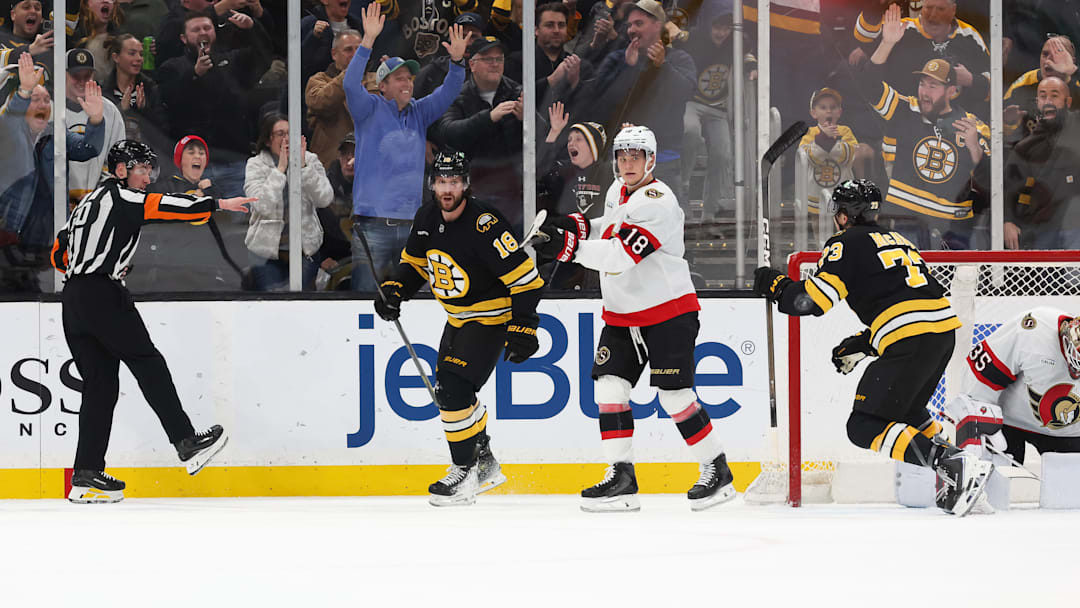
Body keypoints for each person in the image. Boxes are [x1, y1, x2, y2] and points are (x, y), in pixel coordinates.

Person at [751, 179, 993, 516]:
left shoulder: (845, 243)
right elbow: (906, 299)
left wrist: (777, 285)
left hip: (911, 336)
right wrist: (866, 342)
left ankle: (953, 464)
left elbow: (811, 301)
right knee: (907, 414)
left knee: (863, 426)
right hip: (941, 334)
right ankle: (966, 474)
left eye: (838, 211)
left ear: (846, 215)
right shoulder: (900, 240)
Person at [532, 125, 734, 513]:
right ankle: (622, 477)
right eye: (622, 157)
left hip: (667, 313)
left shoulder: (657, 202)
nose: (627, 164)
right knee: (608, 390)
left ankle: (716, 467)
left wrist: (568, 249)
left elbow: (620, 256)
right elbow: (606, 228)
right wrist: (569, 227)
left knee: (675, 397)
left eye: (635, 157)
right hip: (624, 314)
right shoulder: (617, 190)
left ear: (651, 160)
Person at [51, 139, 254, 503]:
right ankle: (185, 442)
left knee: (100, 385)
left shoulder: (86, 204)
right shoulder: (121, 196)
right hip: (101, 295)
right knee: (148, 362)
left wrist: (97, 264)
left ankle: (85, 474)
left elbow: (59, 253)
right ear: (120, 171)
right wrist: (218, 204)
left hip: (74, 300)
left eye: (148, 169)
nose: (147, 176)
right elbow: (166, 207)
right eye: (140, 169)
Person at [374, 150, 543, 506]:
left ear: (465, 184)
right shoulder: (427, 216)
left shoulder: (486, 223)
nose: (446, 189)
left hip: (491, 319)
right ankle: (484, 463)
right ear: (432, 184)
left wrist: (524, 327)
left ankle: (463, 471)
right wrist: (395, 291)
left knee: (451, 391)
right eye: (441, 181)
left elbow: (527, 280)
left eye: (453, 182)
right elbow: (417, 266)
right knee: (453, 394)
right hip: (457, 320)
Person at [343, 2, 468, 293]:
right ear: (382, 86)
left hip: (413, 224)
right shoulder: (368, 109)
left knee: (416, 298)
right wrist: (368, 41)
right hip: (372, 224)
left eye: (409, 78)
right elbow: (350, 85)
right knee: (364, 295)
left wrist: (458, 61)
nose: (407, 83)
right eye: (398, 78)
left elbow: (449, 91)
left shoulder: (419, 112)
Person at [860, 8, 990, 249]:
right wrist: (887, 44)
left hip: (953, 231)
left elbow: (991, 184)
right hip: (904, 221)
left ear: (952, 91)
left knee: (958, 286)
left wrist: (974, 148)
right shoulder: (903, 109)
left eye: (933, 86)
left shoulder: (973, 127)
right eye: (922, 83)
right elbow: (868, 84)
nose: (924, 91)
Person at [0, 52, 104, 293]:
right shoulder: (9, 132)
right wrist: (24, 91)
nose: (42, 105)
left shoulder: (55, 136)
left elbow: (88, 148)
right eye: (35, 100)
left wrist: (96, 120)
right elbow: (8, 122)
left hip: (41, 244)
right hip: (7, 242)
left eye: (46, 100)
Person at [583, 0, 696, 209]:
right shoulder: (617, 59)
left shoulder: (679, 59)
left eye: (638, 24)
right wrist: (628, 69)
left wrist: (662, 67)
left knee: (670, 227)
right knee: (621, 228)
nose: (631, 30)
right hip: (624, 161)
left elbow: (684, 92)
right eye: (629, 25)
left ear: (657, 26)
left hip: (663, 160)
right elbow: (601, 103)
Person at [156, 11, 273, 197]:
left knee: (240, 221)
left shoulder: (234, 61)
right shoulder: (172, 68)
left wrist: (252, 29)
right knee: (196, 223)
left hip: (235, 162)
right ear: (184, 38)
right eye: (196, 29)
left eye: (207, 28)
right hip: (194, 168)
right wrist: (194, 75)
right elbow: (171, 103)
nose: (203, 32)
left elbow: (265, 57)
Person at [949, 307, 1080, 466]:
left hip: (1069, 434)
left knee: (1069, 489)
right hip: (1006, 423)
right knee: (988, 481)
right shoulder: (1035, 330)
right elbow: (985, 373)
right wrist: (977, 418)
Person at [432, 35, 524, 228]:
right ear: (472, 65)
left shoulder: (518, 92)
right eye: (488, 59)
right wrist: (489, 117)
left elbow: (544, 135)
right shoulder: (457, 95)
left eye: (499, 59)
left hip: (514, 193)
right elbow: (449, 132)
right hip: (474, 192)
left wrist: (528, 120)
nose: (495, 64)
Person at [675, 13, 756, 218]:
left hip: (718, 107)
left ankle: (709, 210)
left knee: (722, 154)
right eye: (717, 27)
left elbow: (747, 53)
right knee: (690, 130)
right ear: (708, 26)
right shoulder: (693, 38)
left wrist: (752, 67)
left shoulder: (738, 41)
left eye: (726, 28)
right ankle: (683, 185)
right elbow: (672, 37)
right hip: (692, 101)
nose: (721, 33)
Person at [243, 113, 333, 291]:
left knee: (301, 303)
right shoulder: (256, 164)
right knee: (272, 302)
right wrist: (280, 169)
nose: (286, 139)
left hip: (304, 252)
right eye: (280, 134)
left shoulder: (309, 160)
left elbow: (325, 198)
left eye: (290, 133)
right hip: (267, 255)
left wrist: (303, 168)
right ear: (268, 140)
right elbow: (262, 206)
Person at [536, 105, 609, 290]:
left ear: (594, 144)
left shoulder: (610, 172)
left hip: (601, 251)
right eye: (568, 140)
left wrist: (627, 147)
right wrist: (554, 132)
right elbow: (537, 174)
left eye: (578, 139)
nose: (571, 144)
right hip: (565, 250)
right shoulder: (562, 171)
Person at [1003, 76, 1080, 250]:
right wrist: (1006, 221)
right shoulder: (1025, 147)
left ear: (1067, 102)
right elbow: (1008, 188)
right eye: (1043, 96)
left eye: (1054, 96)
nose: (1048, 101)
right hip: (1044, 233)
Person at [66, 48, 127, 206]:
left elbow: (117, 160)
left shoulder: (109, 111)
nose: (81, 81)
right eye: (75, 76)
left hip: (97, 203)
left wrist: (99, 196)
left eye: (87, 76)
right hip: (55, 204)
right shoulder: (48, 106)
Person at [799, 87, 872, 215]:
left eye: (833, 107)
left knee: (842, 224)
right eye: (823, 107)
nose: (828, 111)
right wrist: (823, 140)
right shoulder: (809, 133)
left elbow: (852, 155)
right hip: (815, 193)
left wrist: (826, 143)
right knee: (817, 226)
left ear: (839, 112)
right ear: (813, 113)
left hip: (842, 192)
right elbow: (808, 157)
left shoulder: (845, 131)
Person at [1003, 36, 1080, 142]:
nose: (1048, 60)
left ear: (1071, 61)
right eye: (1045, 54)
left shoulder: (1077, 83)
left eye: (1057, 55)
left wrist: (1072, 70)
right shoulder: (1024, 84)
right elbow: (998, 131)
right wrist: (1008, 123)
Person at [102, 33, 169, 150]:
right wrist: (121, 109)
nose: (139, 58)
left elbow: (163, 131)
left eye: (141, 54)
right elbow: (101, 132)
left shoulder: (150, 88)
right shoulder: (104, 92)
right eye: (132, 53)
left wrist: (144, 110)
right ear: (116, 57)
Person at [305, 28, 360, 167]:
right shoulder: (318, 81)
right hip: (331, 166)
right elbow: (320, 103)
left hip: (372, 164)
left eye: (359, 50)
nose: (355, 55)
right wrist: (349, 75)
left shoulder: (376, 79)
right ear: (334, 54)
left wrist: (391, 77)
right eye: (348, 50)